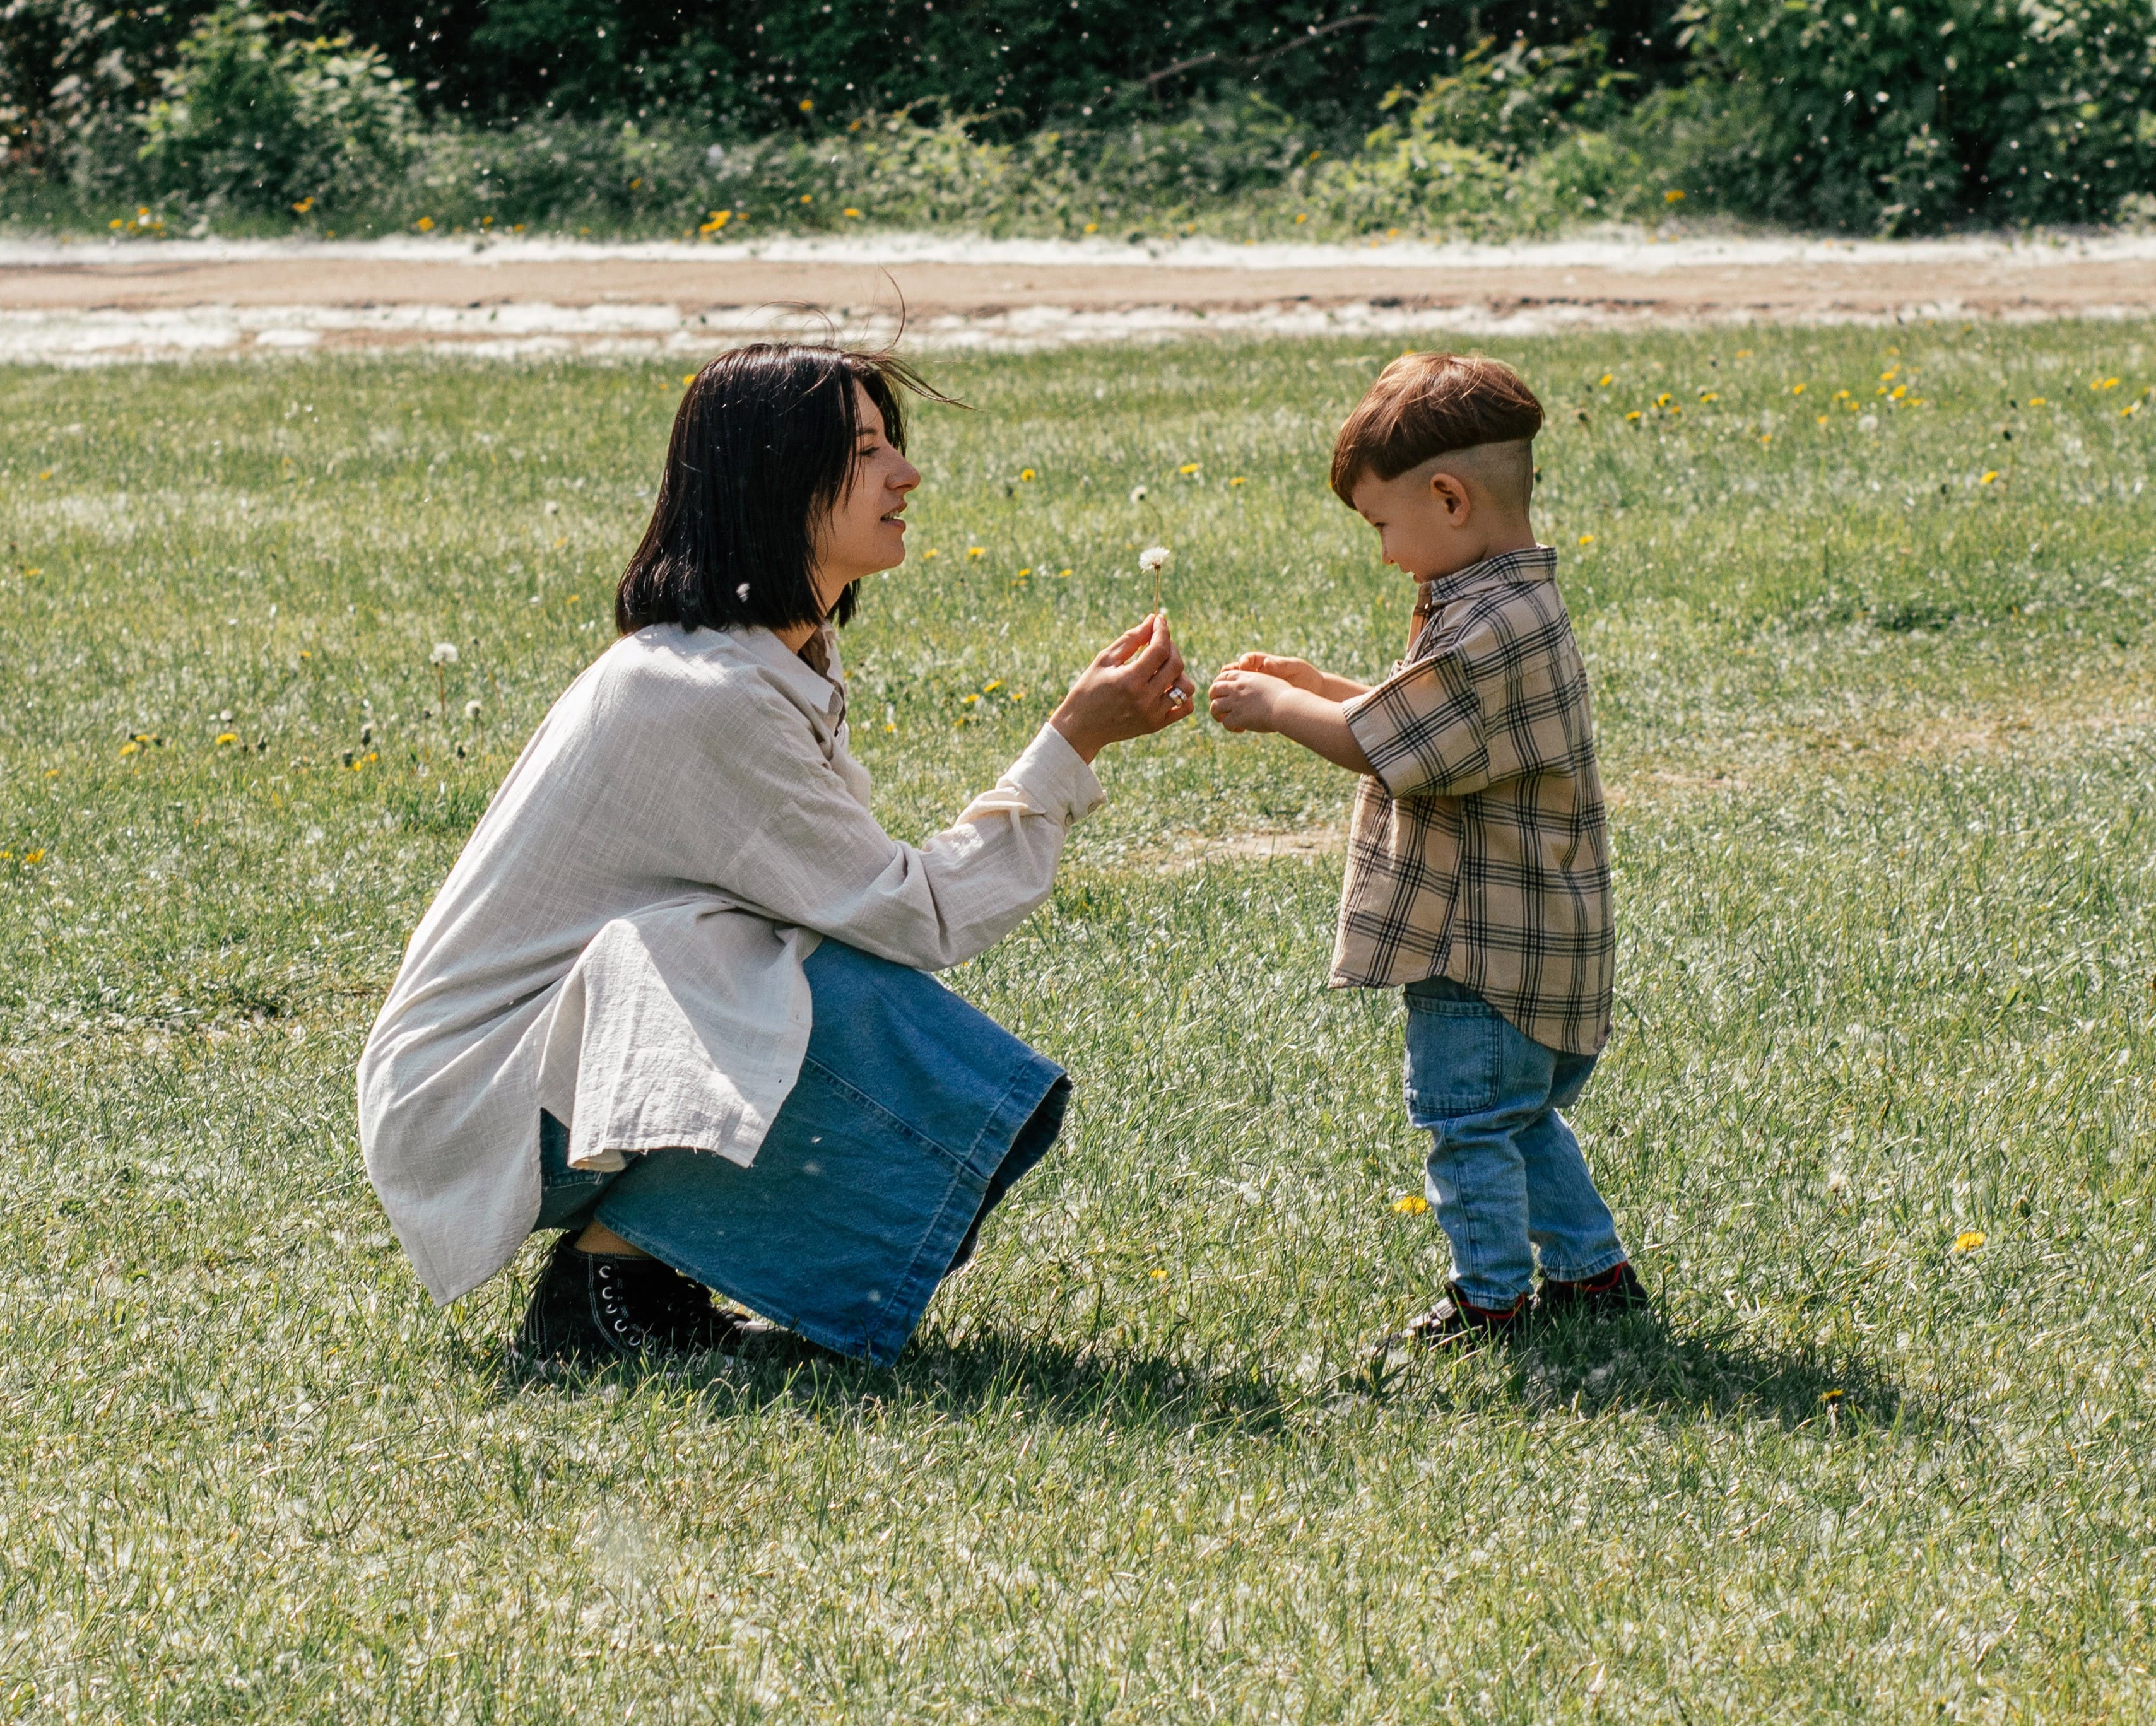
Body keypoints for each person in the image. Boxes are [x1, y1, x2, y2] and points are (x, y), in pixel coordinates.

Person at [356, 341, 1195, 1366]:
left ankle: (636, 1280)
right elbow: (914, 914)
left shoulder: (762, 658)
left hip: (524, 1082)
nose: (905, 475)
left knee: (759, 954)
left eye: (895, 444)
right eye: (865, 451)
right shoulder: (701, 693)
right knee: (800, 980)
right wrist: (1071, 745)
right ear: (772, 477)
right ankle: (602, 1293)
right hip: (473, 1108)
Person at [1205, 351, 1645, 1348]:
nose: (1385, 550)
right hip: (1533, 939)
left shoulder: (1489, 625)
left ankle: (1492, 1298)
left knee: (1470, 1125)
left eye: (1382, 525)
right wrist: (1324, 684)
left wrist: (1282, 709)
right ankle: (1594, 1274)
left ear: (1449, 498)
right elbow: (1433, 721)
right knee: (1520, 1121)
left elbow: (1386, 742)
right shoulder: (1505, 605)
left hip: (1480, 948)